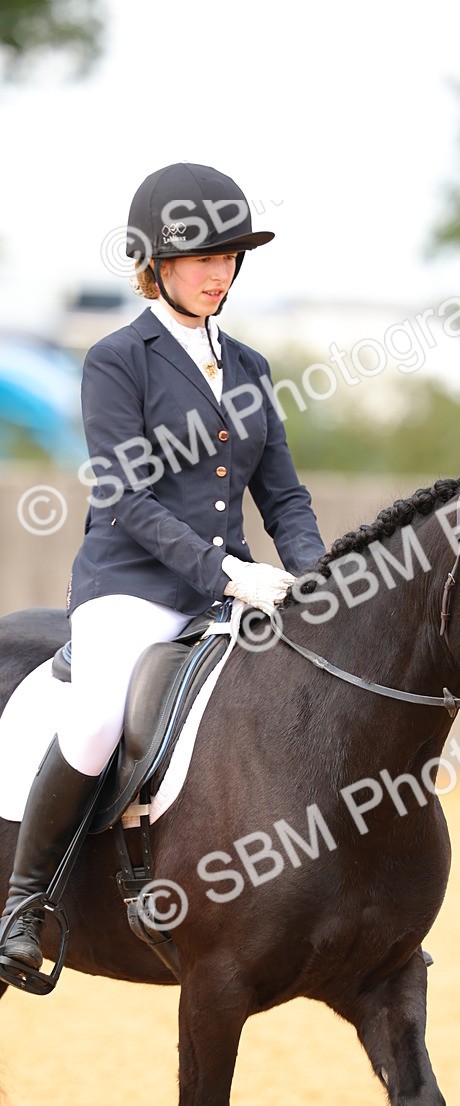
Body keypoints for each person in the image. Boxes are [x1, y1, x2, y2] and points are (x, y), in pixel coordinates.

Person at [0, 162, 326, 980]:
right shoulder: (118, 359)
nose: (221, 273)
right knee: (97, 719)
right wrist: (226, 573)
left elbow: (284, 496)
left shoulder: (249, 368)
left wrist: (320, 578)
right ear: (158, 262)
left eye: (230, 257)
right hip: (132, 586)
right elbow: (127, 497)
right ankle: (24, 903)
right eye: (204, 257)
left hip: (233, 588)